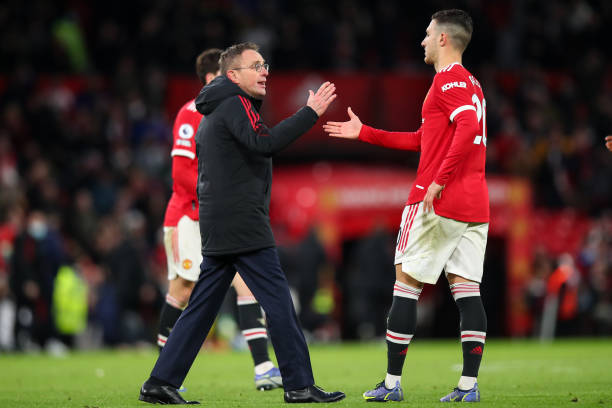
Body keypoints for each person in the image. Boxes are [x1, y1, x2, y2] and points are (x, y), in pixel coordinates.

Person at [139, 42, 345, 404]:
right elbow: (264, 142)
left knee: (201, 308)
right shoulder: (235, 103)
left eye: (266, 64)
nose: (265, 70)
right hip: (242, 224)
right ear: (232, 75)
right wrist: (309, 112)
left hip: (220, 222)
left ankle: (160, 381)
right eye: (256, 65)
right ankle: (298, 385)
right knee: (280, 302)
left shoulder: (215, 108)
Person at [324, 9, 488, 403]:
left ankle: (392, 384)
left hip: (437, 201)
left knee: (406, 284)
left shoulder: (446, 81)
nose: (423, 41)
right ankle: (468, 387)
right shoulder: (473, 84)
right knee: (466, 290)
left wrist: (437, 180)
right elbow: (423, 140)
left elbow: (465, 129)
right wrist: (365, 133)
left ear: (444, 40)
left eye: (428, 34)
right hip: (475, 203)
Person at [157, 47, 282, 391]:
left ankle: (264, 368)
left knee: (246, 285)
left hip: (217, 218)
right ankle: (163, 372)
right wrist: (213, 200)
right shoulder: (189, 112)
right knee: (183, 289)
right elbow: (181, 173)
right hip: (188, 215)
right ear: (216, 78)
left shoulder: (237, 109)